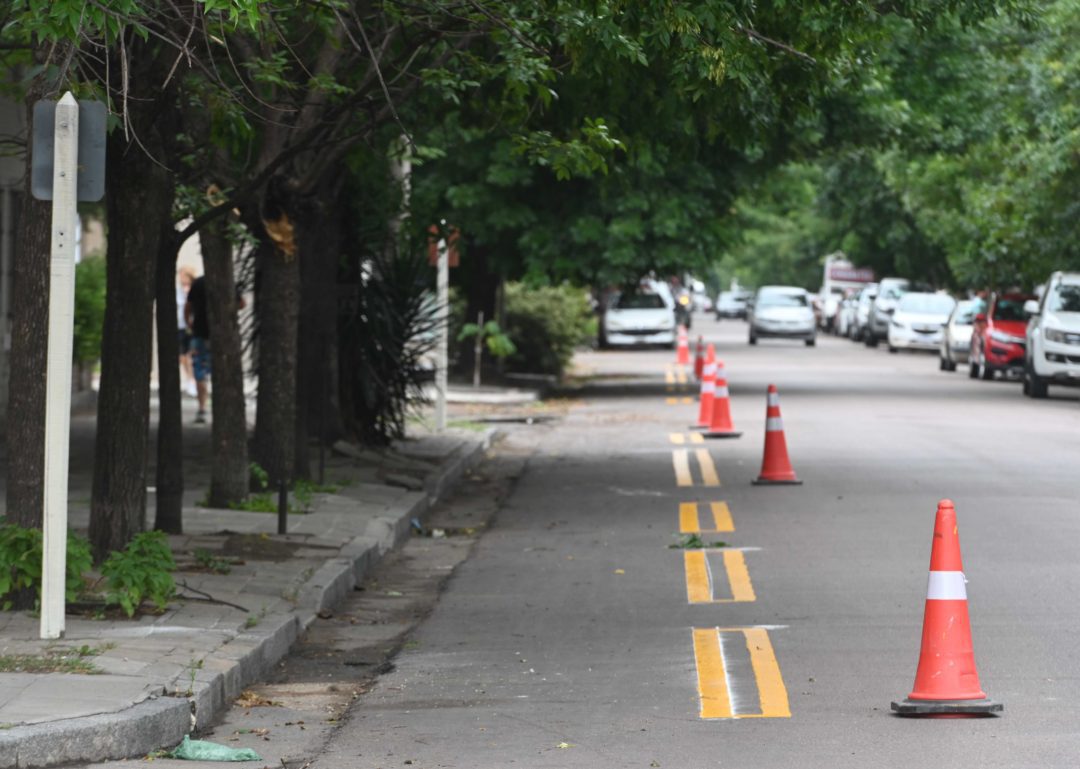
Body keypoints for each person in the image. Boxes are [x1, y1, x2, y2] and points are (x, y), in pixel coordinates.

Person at [185, 275, 211, 424]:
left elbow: (187, 307)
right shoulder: (226, 280)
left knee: (199, 373)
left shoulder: (198, 283)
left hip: (199, 334)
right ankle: (204, 406)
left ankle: (202, 408)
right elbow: (241, 303)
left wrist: (190, 324)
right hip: (218, 335)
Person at [177, 267, 197, 397]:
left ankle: (192, 380)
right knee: (181, 355)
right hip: (179, 326)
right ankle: (189, 378)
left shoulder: (194, 290)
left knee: (190, 355)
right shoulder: (178, 291)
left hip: (190, 326)